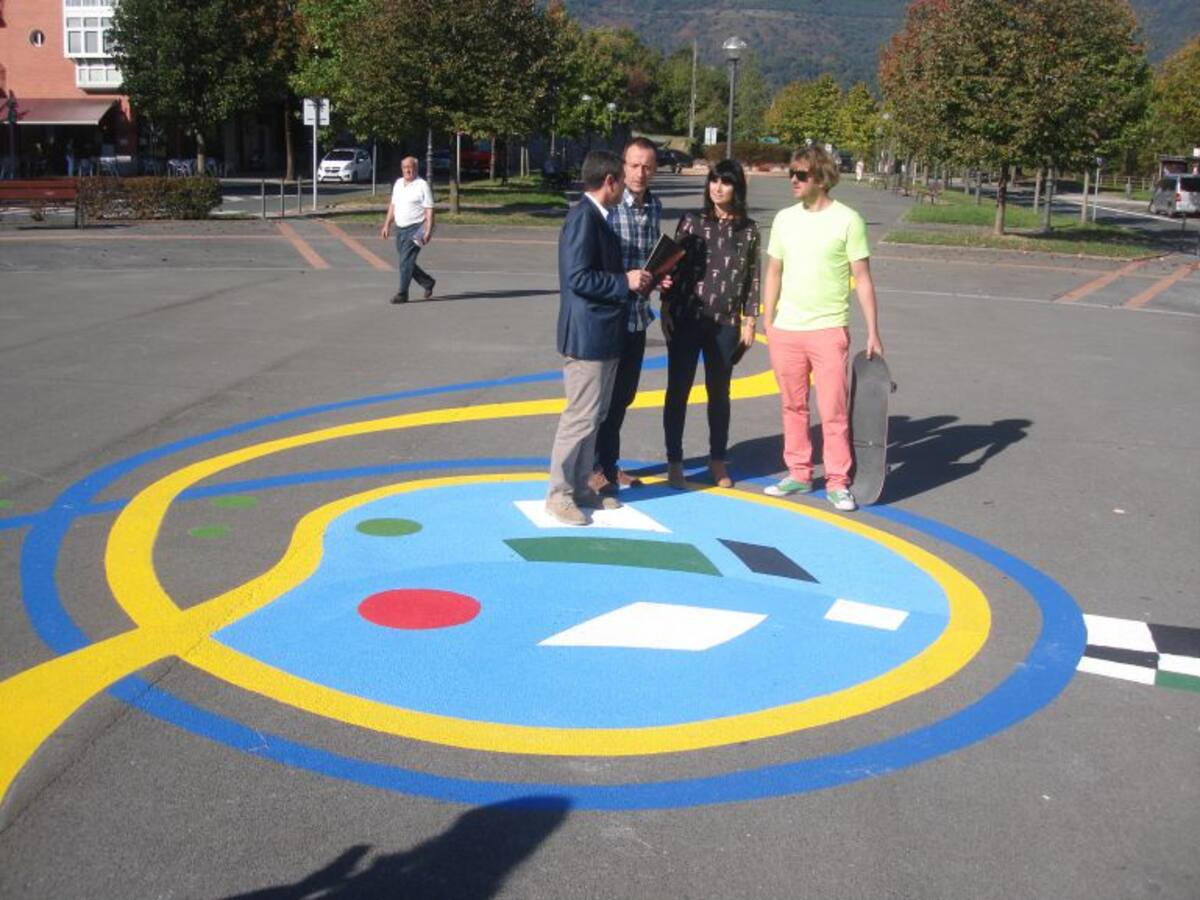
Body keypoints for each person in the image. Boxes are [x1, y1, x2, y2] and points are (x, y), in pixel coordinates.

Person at [762, 146, 883, 512]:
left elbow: (862, 279)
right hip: (787, 330)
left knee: (832, 410)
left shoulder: (848, 220)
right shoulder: (784, 219)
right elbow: (773, 271)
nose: (793, 181)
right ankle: (798, 472)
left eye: (801, 175)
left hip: (828, 329)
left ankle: (837, 480)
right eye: (791, 174)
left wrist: (873, 331)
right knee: (792, 406)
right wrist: (770, 321)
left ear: (821, 177)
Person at [545, 150, 652, 526]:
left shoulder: (597, 217)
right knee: (579, 417)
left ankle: (580, 486)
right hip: (588, 336)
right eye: (622, 179)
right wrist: (624, 280)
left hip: (605, 335)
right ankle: (558, 494)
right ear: (610, 181)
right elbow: (578, 277)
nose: (625, 186)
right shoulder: (583, 219)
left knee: (595, 416)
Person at [660, 159, 760, 490]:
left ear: (737, 188)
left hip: (725, 323)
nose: (717, 187)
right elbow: (670, 270)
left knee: (719, 394)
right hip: (688, 317)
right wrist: (666, 306)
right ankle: (675, 461)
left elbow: (751, 277)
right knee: (678, 391)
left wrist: (750, 318)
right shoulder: (690, 222)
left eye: (725, 182)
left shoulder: (748, 230)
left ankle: (718, 460)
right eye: (713, 180)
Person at [588, 137, 664, 499]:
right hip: (609, 315)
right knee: (600, 399)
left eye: (647, 166)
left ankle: (609, 462)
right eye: (634, 165)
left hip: (637, 316)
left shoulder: (654, 205)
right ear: (622, 165)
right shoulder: (609, 206)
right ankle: (593, 469)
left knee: (623, 397)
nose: (640, 172)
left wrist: (660, 273)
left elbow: (650, 256)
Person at [380, 156, 435, 304]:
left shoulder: (422, 185)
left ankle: (402, 293)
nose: (407, 170)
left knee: (405, 261)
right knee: (407, 261)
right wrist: (387, 225)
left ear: (416, 168)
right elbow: (393, 206)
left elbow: (429, 209)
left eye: (410, 167)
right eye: (404, 168)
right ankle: (427, 282)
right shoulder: (398, 183)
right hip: (401, 228)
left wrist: (428, 230)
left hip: (418, 228)